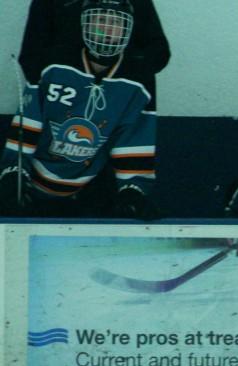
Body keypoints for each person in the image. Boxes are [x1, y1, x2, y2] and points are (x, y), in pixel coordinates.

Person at [0, 0, 158, 219]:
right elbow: (27, 127)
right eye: (99, 20)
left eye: (115, 23)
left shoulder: (137, 85)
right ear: (84, 24)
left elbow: (132, 142)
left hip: (89, 189)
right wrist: (13, 176)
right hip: (33, 183)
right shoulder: (52, 68)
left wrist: (133, 191)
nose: (106, 29)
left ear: (129, 29)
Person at [18, 0, 170, 111]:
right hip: (59, 105)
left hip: (118, 113)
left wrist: (116, 87)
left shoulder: (136, 3)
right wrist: (64, 87)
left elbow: (158, 53)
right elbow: (30, 56)